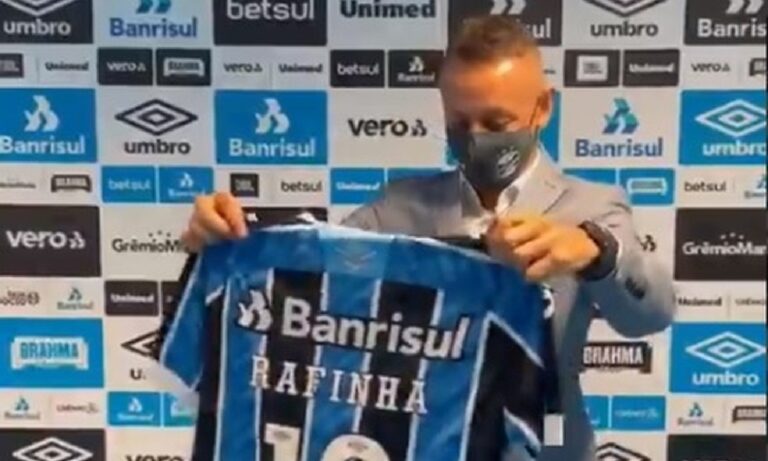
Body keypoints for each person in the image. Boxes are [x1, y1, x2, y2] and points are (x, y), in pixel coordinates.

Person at [180, 15, 676, 461]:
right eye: (459, 123)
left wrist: (597, 253)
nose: (476, 137)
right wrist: (226, 242)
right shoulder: (397, 208)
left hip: (549, 447)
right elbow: (308, 275)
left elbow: (651, 313)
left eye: (496, 122)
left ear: (542, 108)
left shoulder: (592, 207)